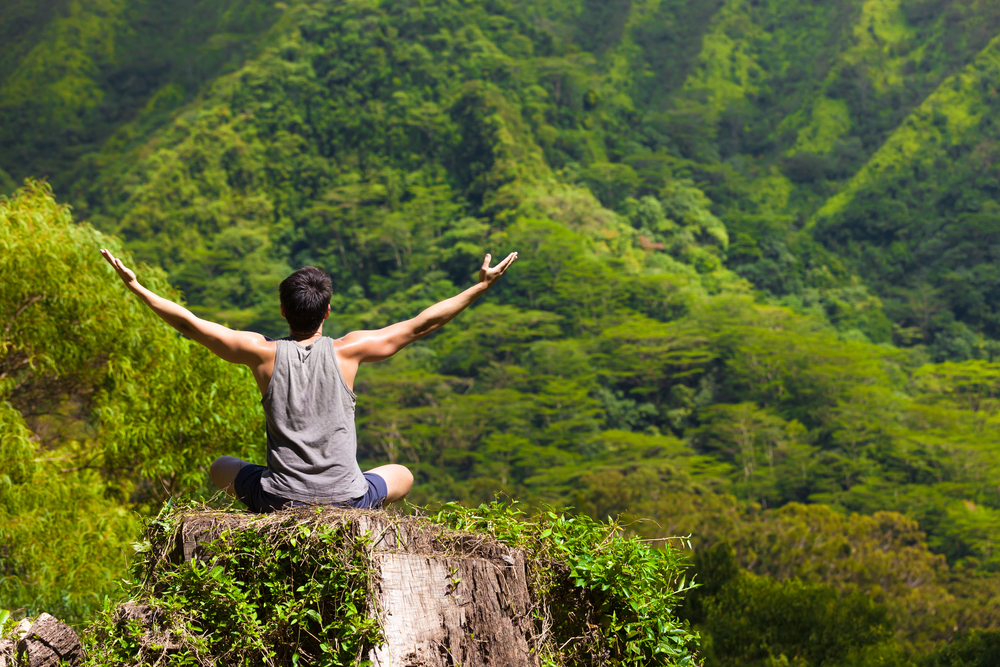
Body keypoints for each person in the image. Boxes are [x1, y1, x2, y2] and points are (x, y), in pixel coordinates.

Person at [99, 248, 518, 512]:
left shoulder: (260, 353)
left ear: (282, 310)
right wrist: (477, 289)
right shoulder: (349, 351)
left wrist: (139, 289)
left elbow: (192, 326)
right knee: (402, 474)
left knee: (220, 467)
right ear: (328, 311)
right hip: (347, 499)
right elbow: (420, 325)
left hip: (278, 499)